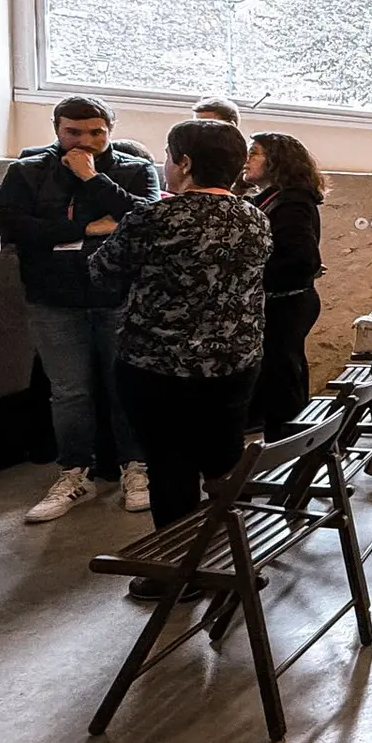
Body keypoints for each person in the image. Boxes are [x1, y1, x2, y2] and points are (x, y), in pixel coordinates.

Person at [89, 120, 272, 600]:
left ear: (185, 163)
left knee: (170, 470)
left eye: (168, 156)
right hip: (234, 363)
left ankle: (180, 572)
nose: (165, 166)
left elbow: (103, 275)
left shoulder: (156, 218)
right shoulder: (254, 217)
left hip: (159, 367)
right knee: (221, 462)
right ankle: (226, 555)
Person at [0, 96, 161, 522]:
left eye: (96, 132)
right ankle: (73, 473)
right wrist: (83, 227)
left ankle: (135, 469)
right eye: (74, 132)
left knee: (123, 384)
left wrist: (91, 177)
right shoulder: (28, 171)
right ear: (56, 128)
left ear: (111, 130)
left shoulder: (135, 170)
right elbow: (10, 225)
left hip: (117, 297)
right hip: (54, 298)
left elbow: (148, 218)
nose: (86, 140)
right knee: (69, 391)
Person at [242, 133, 326, 432]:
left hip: (287, 303)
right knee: (283, 371)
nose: (246, 160)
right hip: (285, 299)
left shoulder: (290, 202)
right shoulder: (272, 198)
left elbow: (302, 260)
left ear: (276, 161)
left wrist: (246, 272)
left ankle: (288, 450)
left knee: (282, 377)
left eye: (254, 153)